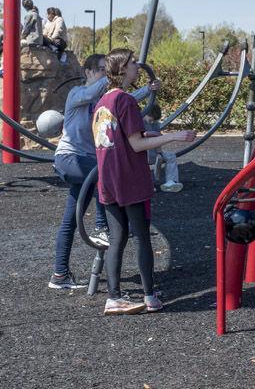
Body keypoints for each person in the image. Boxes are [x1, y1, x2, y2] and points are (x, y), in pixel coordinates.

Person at [92, 48, 196, 315]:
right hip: (129, 178)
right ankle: (150, 296)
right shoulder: (125, 100)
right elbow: (137, 144)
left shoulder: (102, 102)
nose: (137, 66)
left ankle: (114, 296)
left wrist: (153, 133)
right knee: (142, 237)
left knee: (117, 238)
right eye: (132, 63)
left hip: (108, 178)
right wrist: (173, 136)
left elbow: (119, 136)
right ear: (122, 69)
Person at [49, 54, 157, 290]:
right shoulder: (77, 94)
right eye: (99, 70)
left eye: (105, 70)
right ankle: (102, 227)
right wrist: (113, 75)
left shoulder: (101, 101)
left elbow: (122, 101)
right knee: (105, 175)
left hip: (88, 162)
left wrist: (147, 90)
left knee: (70, 219)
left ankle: (59, 274)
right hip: (70, 159)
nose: (103, 75)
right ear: (88, 72)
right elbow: (94, 93)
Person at [143, 103, 184, 192]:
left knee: (171, 156)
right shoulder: (138, 121)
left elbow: (158, 139)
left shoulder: (156, 124)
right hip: (141, 152)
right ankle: (148, 185)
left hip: (153, 150)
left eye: (154, 120)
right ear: (146, 114)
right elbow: (136, 138)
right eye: (151, 120)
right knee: (147, 155)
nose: (152, 122)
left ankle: (171, 182)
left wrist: (159, 153)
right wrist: (149, 134)